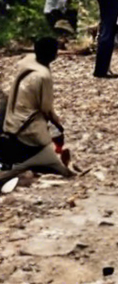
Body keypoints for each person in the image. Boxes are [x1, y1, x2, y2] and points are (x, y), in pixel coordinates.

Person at [1, 37, 74, 183]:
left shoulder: (27, 63)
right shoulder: (43, 76)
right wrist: (59, 128)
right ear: (54, 54)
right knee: (59, 166)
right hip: (26, 131)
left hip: (10, 123)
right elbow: (47, 109)